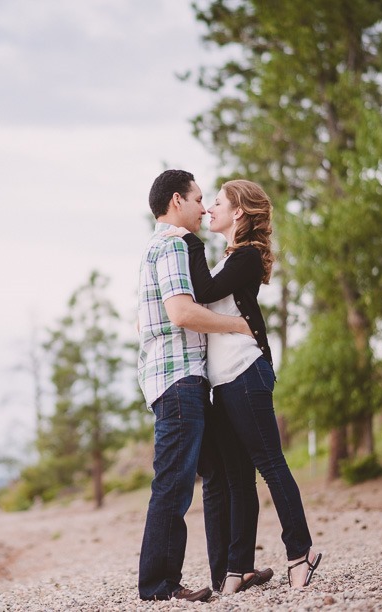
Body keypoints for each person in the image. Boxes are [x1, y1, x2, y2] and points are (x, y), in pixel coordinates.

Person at [165, 179, 322, 591]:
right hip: (224, 381)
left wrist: (189, 242)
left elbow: (204, 291)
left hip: (245, 373)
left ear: (237, 212)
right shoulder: (230, 259)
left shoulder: (247, 257)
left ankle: (300, 552)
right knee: (237, 477)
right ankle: (236, 569)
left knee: (271, 464)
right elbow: (208, 295)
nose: (208, 209)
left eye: (215, 202)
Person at [136, 169, 261, 602]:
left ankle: (228, 573)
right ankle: (159, 586)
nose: (203, 207)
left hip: (180, 378)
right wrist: (239, 325)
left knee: (216, 473)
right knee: (173, 481)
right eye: (198, 198)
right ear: (176, 201)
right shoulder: (171, 245)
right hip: (178, 379)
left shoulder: (156, 247)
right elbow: (182, 314)